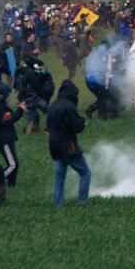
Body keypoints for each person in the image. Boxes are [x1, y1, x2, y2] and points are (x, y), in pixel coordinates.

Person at [46, 79, 90, 207]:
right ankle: (82, 201)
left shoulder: (53, 105)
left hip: (54, 146)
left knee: (59, 178)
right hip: (69, 146)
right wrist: (81, 121)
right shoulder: (69, 106)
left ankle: (58, 204)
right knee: (85, 172)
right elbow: (77, 127)